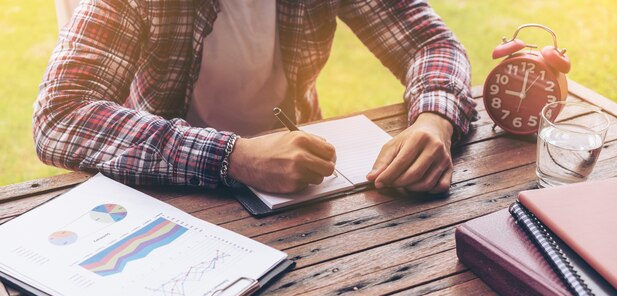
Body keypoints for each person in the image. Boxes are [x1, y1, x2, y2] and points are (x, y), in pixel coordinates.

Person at [34, 0, 477, 195]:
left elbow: (429, 43)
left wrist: (433, 119)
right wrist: (236, 157)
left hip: (305, 188)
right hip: (167, 187)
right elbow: (61, 113)